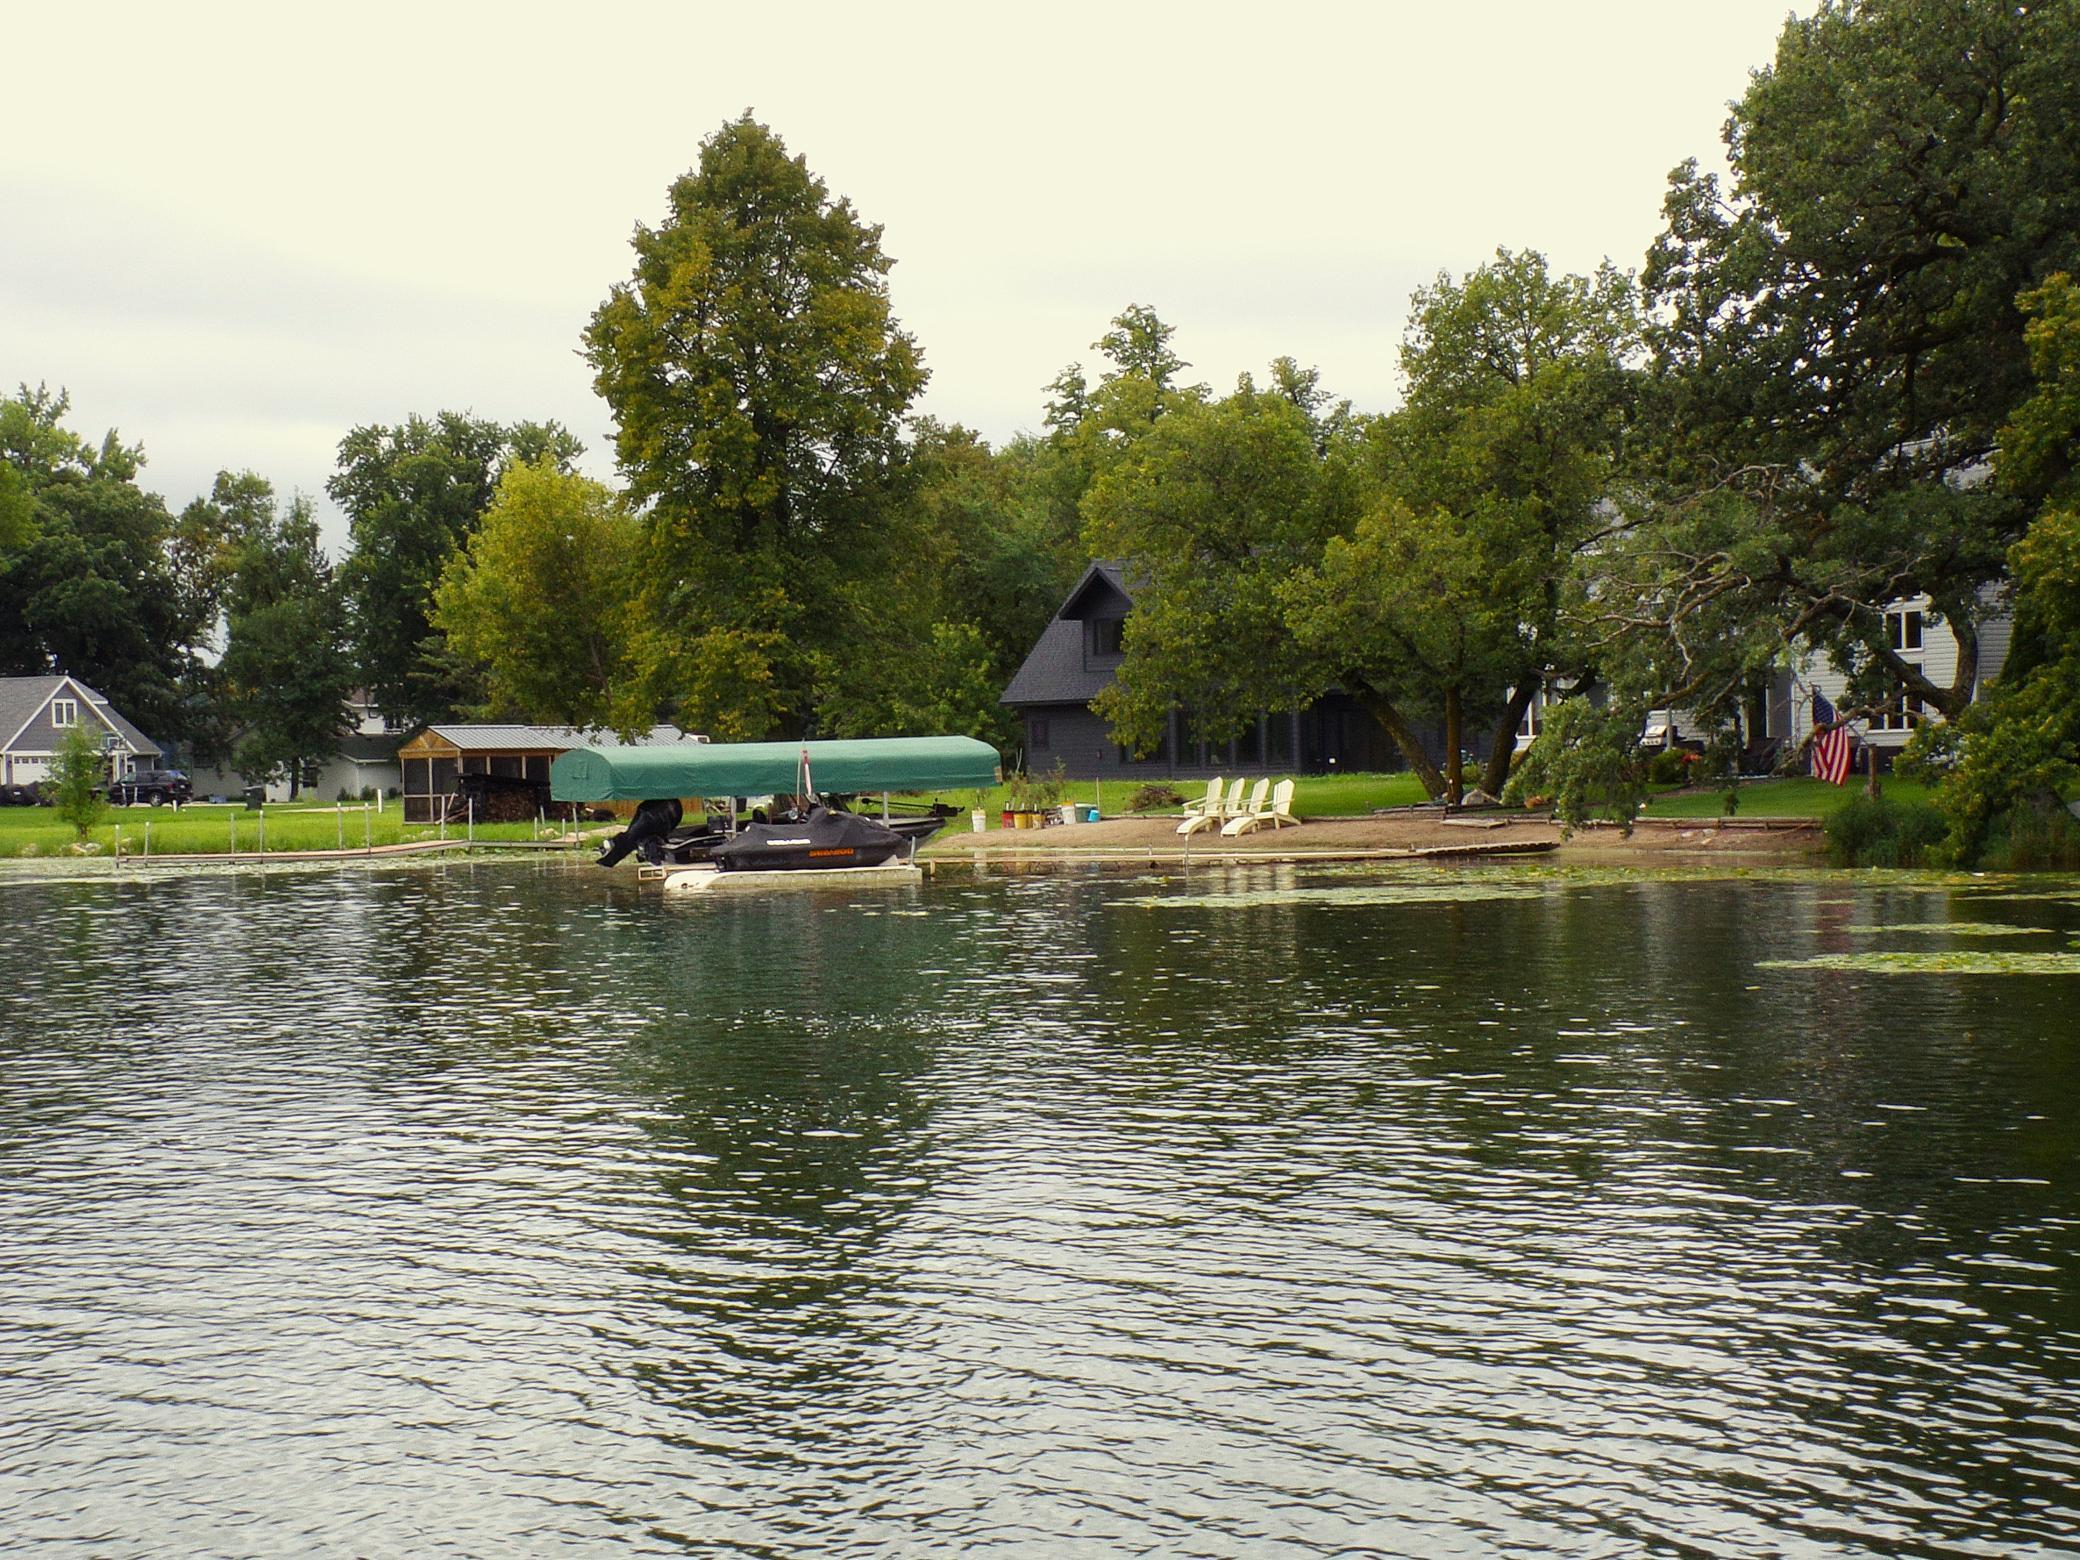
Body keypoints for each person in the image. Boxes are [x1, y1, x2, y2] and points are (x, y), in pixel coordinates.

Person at [595, 797, 684, 868]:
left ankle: (609, 857)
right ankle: (609, 857)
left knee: (631, 838)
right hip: (657, 811)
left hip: (657, 812)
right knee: (632, 838)